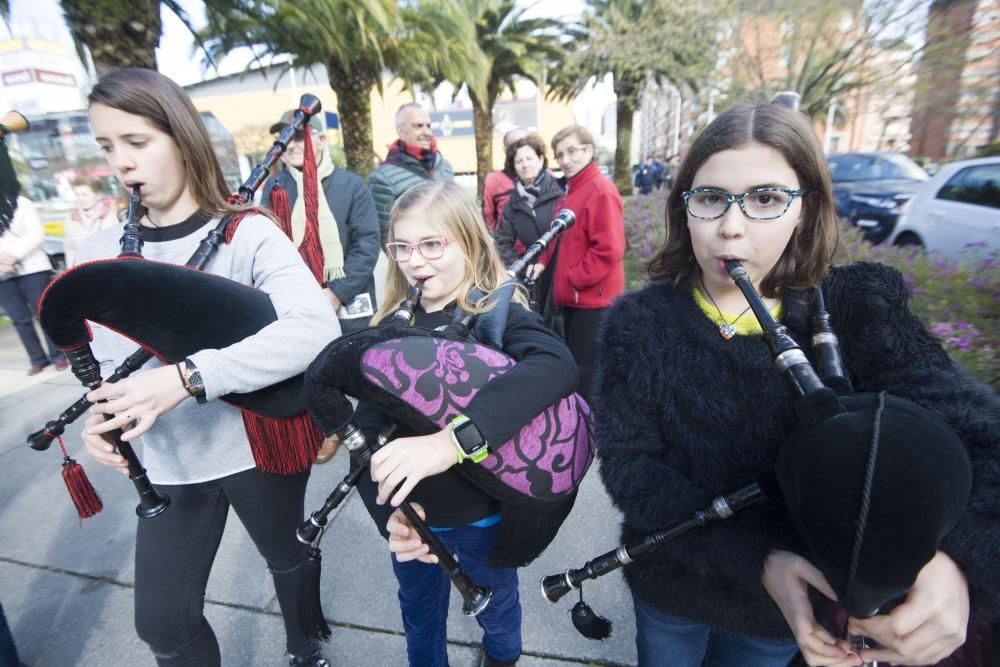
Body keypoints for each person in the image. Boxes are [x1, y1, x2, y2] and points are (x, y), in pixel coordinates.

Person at [594, 103, 1000, 667]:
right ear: (684, 208)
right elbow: (631, 468)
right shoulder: (639, 323)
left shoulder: (861, 307)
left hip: (789, 616)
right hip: (674, 586)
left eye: (764, 200)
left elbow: (976, 435)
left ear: (806, 212)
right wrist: (759, 558)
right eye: (710, 198)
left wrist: (958, 561)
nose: (730, 227)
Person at [75, 68, 340, 667]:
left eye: (137, 142)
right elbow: (110, 370)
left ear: (182, 137)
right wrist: (102, 420)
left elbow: (313, 328)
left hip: (255, 442)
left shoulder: (247, 235)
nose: (121, 162)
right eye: (107, 147)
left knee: (286, 557)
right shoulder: (94, 252)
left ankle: (305, 646)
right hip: (168, 463)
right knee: (163, 625)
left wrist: (185, 377)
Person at [355, 180, 577, 667]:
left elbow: (556, 366)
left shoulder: (495, 315)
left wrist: (452, 441)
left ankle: (500, 659)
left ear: (470, 243)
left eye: (433, 244)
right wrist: (388, 518)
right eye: (403, 247)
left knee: (497, 611)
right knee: (419, 615)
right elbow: (364, 435)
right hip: (415, 520)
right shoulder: (390, 325)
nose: (416, 261)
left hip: (482, 516)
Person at [262, 109, 380, 335]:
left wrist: (337, 293)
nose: (292, 145)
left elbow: (367, 244)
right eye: (285, 138)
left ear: (322, 140)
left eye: (299, 137)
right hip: (294, 307)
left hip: (349, 306)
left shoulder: (352, 185)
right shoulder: (274, 189)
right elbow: (268, 248)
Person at [536, 125, 625, 401]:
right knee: (579, 365)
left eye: (572, 151)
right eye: (560, 154)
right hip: (577, 298)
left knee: (585, 372)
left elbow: (610, 249)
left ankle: (583, 432)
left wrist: (575, 279)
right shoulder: (573, 189)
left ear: (588, 151)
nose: (565, 160)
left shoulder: (600, 190)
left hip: (593, 300)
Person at [0, 143, 69, 375]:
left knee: (44, 313)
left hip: (32, 268)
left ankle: (59, 354)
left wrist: (13, 255)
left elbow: (36, 234)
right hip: (2, 272)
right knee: (19, 319)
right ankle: (37, 359)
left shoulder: (22, 204)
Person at [494, 133, 563, 334]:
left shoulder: (560, 192)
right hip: (532, 277)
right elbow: (502, 241)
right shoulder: (512, 204)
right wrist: (524, 264)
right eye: (519, 161)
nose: (525, 165)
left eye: (529, 158)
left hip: (560, 271)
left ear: (541, 159)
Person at [369, 103, 454, 244]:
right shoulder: (383, 178)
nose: (426, 132)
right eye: (418, 126)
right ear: (401, 132)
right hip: (415, 258)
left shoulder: (445, 167)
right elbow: (386, 236)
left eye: (428, 126)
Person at [65, 176, 119, 267]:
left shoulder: (111, 216)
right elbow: (70, 249)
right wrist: (70, 271)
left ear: (98, 195)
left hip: (108, 269)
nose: (80, 199)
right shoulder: (71, 219)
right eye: (77, 195)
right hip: (82, 271)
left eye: (84, 195)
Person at [481, 127, 527, 232]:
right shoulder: (493, 180)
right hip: (506, 244)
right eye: (515, 145)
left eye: (525, 144)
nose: (520, 149)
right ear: (505, 149)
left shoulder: (546, 176)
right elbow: (487, 219)